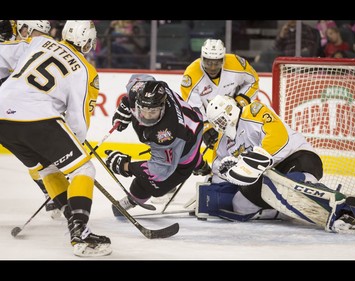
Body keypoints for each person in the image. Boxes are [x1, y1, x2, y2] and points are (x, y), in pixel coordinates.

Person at [0, 20, 112, 257]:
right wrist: (75, 144)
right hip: (36, 118)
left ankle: (73, 219)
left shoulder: (40, 41)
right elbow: (78, 117)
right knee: (84, 170)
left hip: (2, 117)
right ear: (88, 42)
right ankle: (80, 234)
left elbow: (3, 55)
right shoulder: (85, 69)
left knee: (47, 169)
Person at [195, 95, 355, 233]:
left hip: (296, 157)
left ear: (230, 110)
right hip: (268, 176)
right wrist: (224, 173)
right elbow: (218, 169)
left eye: (222, 120)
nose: (221, 125)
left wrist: (251, 161)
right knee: (240, 205)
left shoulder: (253, 111)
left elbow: (279, 136)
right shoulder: (223, 143)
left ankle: (343, 211)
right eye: (218, 123)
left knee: (291, 184)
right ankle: (287, 210)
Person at [104, 74, 206, 217]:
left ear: (163, 107)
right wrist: (126, 103)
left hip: (188, 141)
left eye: (153, 111)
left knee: (154, 186)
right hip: (188, 123)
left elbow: (158, 172)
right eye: (143, 109)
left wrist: (125, 166)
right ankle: (200, 164)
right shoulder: (139, 90)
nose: (146, 115)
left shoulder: (167, 132)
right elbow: (141, 78)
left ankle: (195, 161)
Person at [0, 20, 62, 218]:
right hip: (13, 113)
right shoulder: (26, 47)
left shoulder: (22, 46)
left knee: (33, 157)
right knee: (35, 157)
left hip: (12, 114)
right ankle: (52, 191)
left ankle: (52, 191)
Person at [180, 38, 260, 155]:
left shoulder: (236, 63)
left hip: (237, 115)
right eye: (208, 62)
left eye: (217, 62)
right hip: (211, 119)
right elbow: (193, 107)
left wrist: (239, 102)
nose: (212, 67)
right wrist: (206, 127)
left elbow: (253, 81)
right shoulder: (191, 74)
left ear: (223, 59)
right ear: (202, 58)